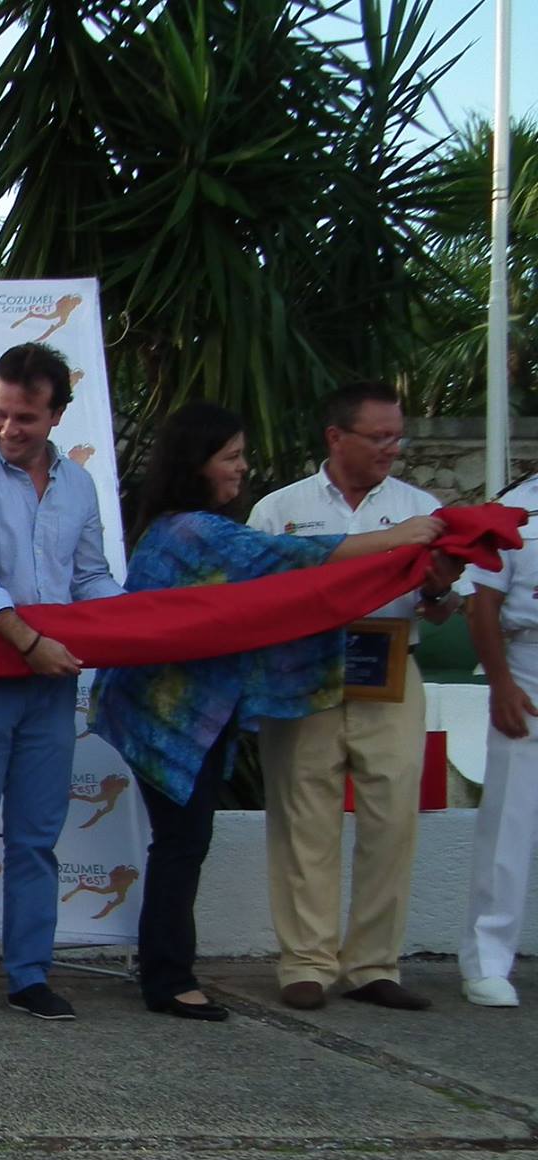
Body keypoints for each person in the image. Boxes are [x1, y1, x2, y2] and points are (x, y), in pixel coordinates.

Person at [90, 403, 442, 1020]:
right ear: (196, 463)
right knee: (182, 844)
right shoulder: (196, 532)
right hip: (171, 715)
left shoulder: (182, 527)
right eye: (231, 456)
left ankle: (172, 971)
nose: (242, 467)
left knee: (182, 843)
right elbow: (294, 559)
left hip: (189, 710)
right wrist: (397, 539)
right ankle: (169, 979)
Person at [247, 383, 464, 1011]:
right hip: (303, 674)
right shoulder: (279, 509)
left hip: (391, 671)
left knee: (392, 819)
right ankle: (306, 963)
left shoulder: (421, 508)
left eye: (397, 436)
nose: (391, 448)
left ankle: (373, 965)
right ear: (336, 438)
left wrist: (439, 590)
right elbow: (253, 592)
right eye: (378, 437)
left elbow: (444, 608)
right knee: (302, 817)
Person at [0, 342, 122, 1021]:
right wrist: (31, 642)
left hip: (49, 684)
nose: (9, 429)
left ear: (57, 415)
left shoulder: (79, 485)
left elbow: (90, 577)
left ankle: (29, 975)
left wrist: (134, 623)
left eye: (26, 417)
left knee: (37, 837)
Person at [459, 475, 538, 1008]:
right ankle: (487, 959)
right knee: (510, 818)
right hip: (529, 663)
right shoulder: (517, 506)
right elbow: (481, 601)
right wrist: (501, 684)